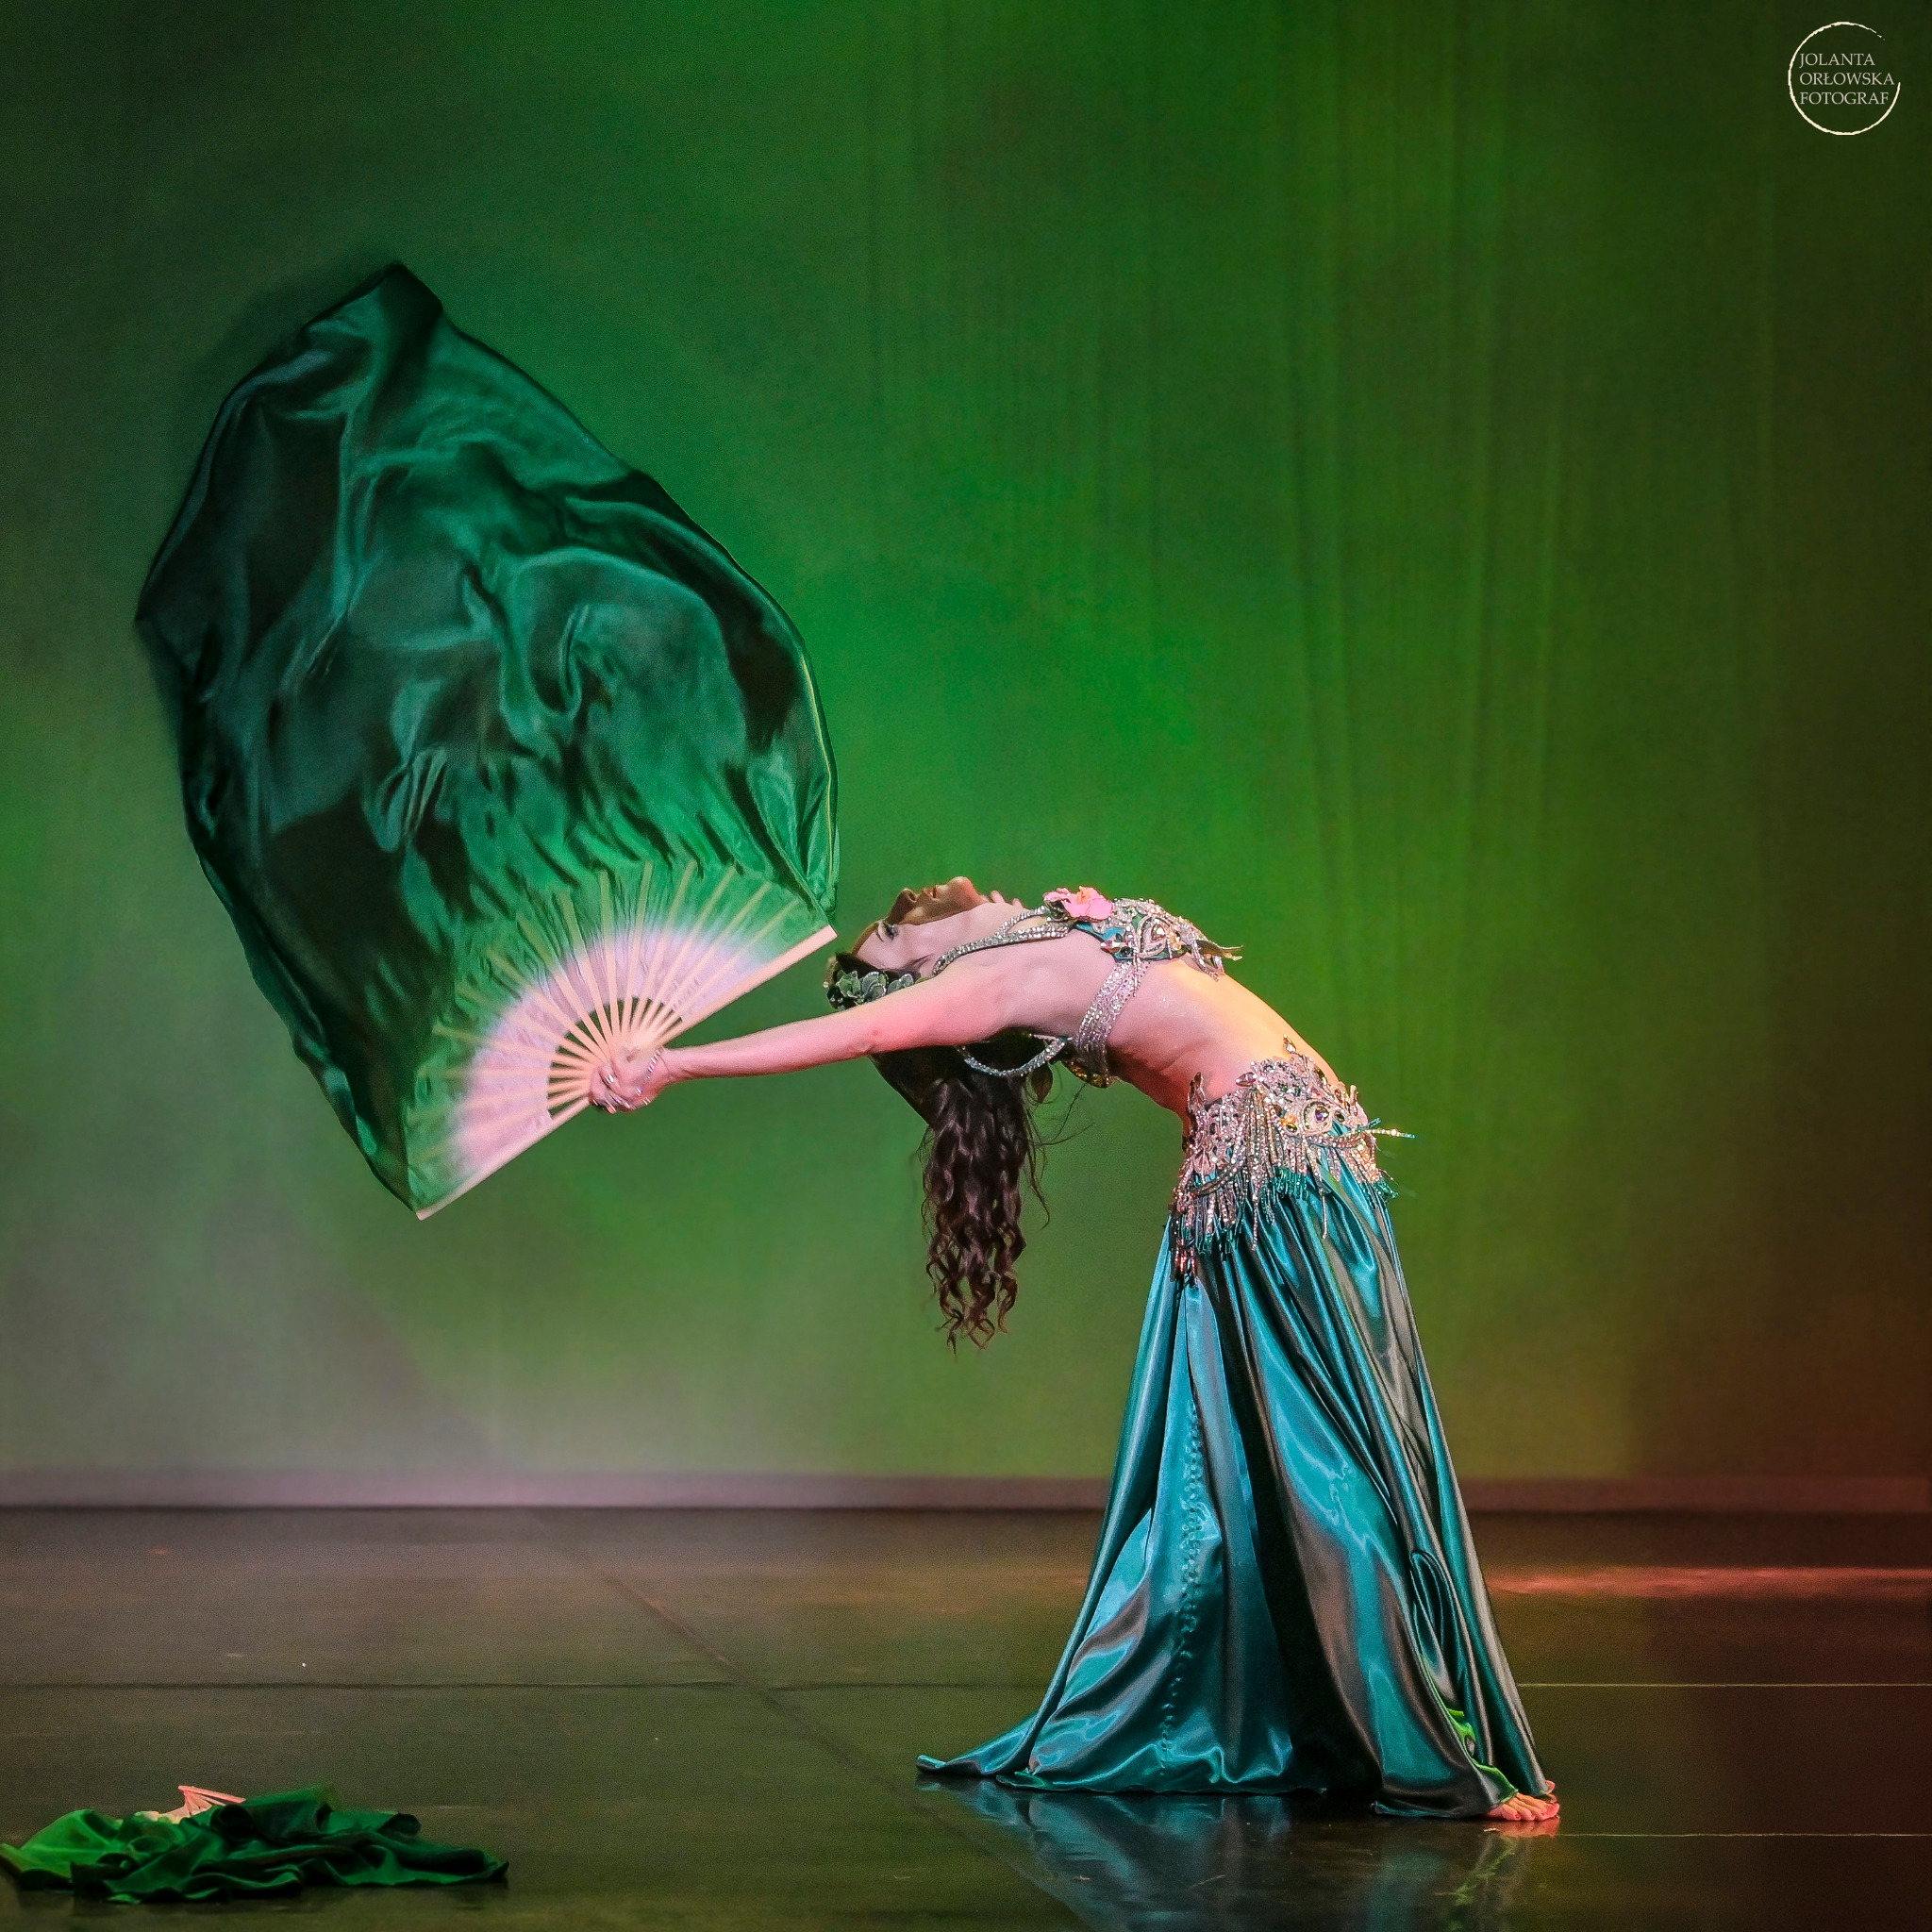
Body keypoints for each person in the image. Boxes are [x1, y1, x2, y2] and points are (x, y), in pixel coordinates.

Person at [590, 877, 1557, 1824]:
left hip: (1292, 1171)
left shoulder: (1050, 923)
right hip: (1277, 1179)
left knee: (1317, 1458)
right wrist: (672, 1062)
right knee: (1301, 1468)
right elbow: (858, 1030)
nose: (884, 920)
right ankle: (1418, 1744)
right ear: (922, 972)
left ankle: (1394, 1726)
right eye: (879, 952)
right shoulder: (987, 981)